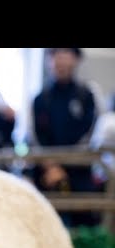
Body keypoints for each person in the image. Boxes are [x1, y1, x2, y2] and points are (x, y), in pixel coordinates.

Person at [29, 48, 101, 227]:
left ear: (76, 59)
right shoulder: (39, 99)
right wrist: (51, 165)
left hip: (80, 177)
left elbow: (91, 134)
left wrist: (64, 166)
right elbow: (35, 138)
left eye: (65, 54)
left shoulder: (87, 96)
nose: (60, 60)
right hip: (47, 178)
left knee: (82, 234)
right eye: (54, 54)